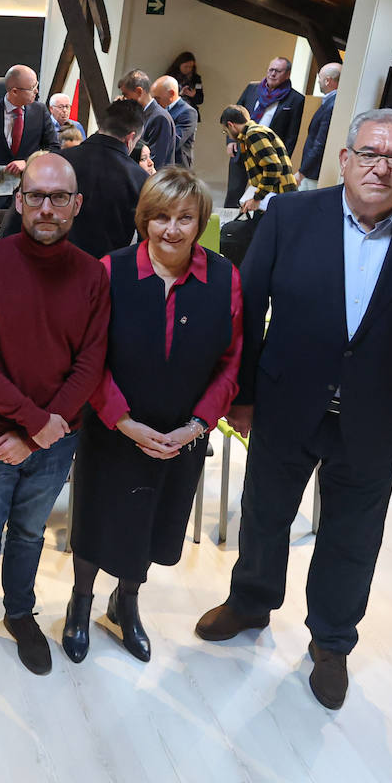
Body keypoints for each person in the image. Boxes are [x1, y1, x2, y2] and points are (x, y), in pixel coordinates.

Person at [196, 109, 392, 711]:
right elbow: (246, 310)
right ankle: (250, 603)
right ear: (344, 159)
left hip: (377, 419)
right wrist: (239, 395)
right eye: (370, 153)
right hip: (285, 403)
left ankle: (332, 642)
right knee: (265, 514)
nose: (381, 167)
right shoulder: (291, 215)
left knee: (353, 535)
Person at [64, 167, 241, 665]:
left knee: (154, 523)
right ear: (144, 220)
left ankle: (127, 600)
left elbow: (231, 364)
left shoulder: (225, 278)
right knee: (97, 520)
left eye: (185, 218)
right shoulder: (110, 270)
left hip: (182, 435)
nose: (172, 229)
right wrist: (123, 421)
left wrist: (197, 425)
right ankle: (82, 600)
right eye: (161, 217)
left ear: (200, 221)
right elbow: (88, 357)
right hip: (113, 429)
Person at [0, 153, 109, 678]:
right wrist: (29, 424)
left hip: (57, 436)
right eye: (36, 196)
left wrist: (43, 431)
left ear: (76, 205)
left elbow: (91, 362)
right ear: (18, 201)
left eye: (58, 197)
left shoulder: (92, 275)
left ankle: (19, 612)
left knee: (29, 533)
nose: (46, 208)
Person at [59, 98, 148, 257]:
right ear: (130, 138)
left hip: (51, 264)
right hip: (106, 271)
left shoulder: (59, 160)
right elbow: (146, 241)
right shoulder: (139, 178)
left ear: (102, 126)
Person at [0, 64, 59, 205]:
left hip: (31, 189)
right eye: (32, 88)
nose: (37, 91)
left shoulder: (40, 111)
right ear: (14, 91)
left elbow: (54, 149)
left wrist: (27, 163)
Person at [225, 57, 304, 206]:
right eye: (271, 69)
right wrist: (230, 141)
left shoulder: (296, 99)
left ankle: (250, 226)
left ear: (287, 74)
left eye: (278, 71)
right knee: (234, 191)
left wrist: (282, 159)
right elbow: (233, 115)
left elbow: (292, 135)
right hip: (242, 147)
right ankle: (227, 224)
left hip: (267, 154)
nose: (272, 74)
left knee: (262, 196)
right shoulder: (252, 88)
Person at [220, 104, 298, 219]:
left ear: (231, 125)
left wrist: (258, 198)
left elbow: (273, 167)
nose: (228, 135)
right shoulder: (254, 132)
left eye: (225, 131)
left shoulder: (253, 134)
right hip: (275, 196)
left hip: (278, 197)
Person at [118, 68, 177, 167]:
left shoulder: (160, 118)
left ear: (139, 91)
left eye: (126, 95)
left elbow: (156, 161)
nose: (124, 99)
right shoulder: (140, 114)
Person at [296, 63, 342, 188]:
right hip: (312, 170)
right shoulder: (332, 102)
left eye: (320, 78)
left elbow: (320, 143)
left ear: (328, 81)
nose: (318, 82)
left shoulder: (333, 105)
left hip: (314, 172)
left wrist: (302, 171)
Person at [152, 75, 198, 169]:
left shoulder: (188, 112)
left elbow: (174, 141)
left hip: (177, 168)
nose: (155, 102)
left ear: (171, 93)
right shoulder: (158, 109)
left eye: (158, 98)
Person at [165, 52, 203, 118]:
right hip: (174, 114)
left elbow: (200, 100)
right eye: (186, 67)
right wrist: (180, 94)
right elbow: (165, 99)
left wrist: (193, 95)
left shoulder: (196, 79)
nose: (188, 69)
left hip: (190, 114)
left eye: (191, 67)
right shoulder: (170, 78)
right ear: (179, 65)